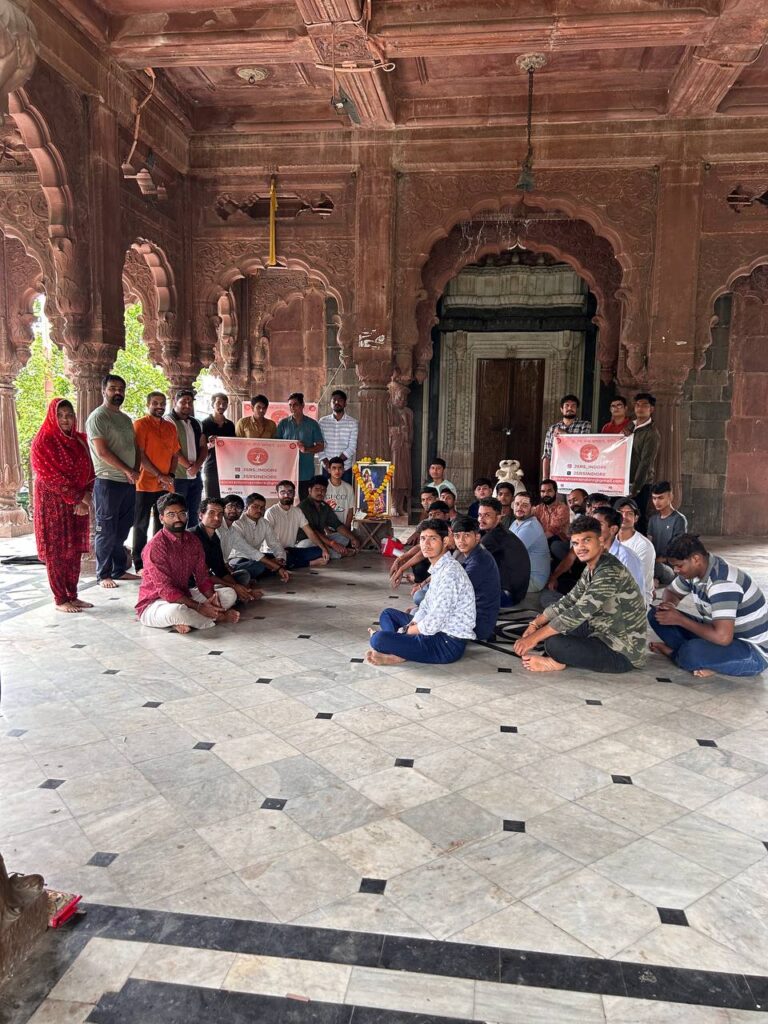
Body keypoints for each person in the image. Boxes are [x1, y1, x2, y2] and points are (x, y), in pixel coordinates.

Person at [513, 514, 648, 673]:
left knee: (554, 643)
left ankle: (557, 662)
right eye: (576, 543)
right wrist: (535, 624)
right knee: (553, 625)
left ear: (600, 540)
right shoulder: (593, 565)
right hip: (599, 630)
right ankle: (560, 655)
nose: (580, 547)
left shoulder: (609, 571)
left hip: (622, 652)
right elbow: (570, 600)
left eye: (586, 540)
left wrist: (533, 639)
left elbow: (577, 612)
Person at [649, 534, 768, 678]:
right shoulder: (695, 571)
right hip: (716, 632)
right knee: (656, 615)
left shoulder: (722, 583)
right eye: (674, 566)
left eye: (679, 566)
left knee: (692, 652)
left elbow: (723, 638)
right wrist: (669, 606)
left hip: (752, 651)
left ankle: (675, 653)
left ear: (696, 559)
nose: (675, 570)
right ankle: (708, 659)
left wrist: (680, 619)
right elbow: (671, 591)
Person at [367, 518, 476, 665]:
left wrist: (405, 631)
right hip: (433, 631)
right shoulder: (440, 567)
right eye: (423, 538)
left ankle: (399, 649)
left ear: (445, 541)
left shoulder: (450, 574)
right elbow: (426, 605)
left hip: (446, 643)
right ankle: (401, 649)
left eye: (433, 539)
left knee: (378, 639)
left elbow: (433, 623)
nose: (426, 544)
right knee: (387, 614)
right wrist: (413, 622)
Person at [136, 492, 240, 634]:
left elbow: (202, 576)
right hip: (155, 603)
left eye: (182, 513)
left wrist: (212, 598)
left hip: (184, 595)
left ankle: (187, 620)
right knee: (177, 611)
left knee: (229, 594)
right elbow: (166, 590)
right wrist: (199, 607)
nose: (178, 518)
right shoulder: (156, 546)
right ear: (161, 518)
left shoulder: (193, 540)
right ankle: (217, 617)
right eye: (171, 514)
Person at [30, 398, 95, 612]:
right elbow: (50, 477)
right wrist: (78, 498)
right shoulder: (43, 441)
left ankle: (72, 595)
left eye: (69, 415)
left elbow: (90, 469)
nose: (65, 419)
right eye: (60, 415)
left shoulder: (80, 440)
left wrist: (86, 496)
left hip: (78, 503)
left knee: (74, 550)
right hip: (53, 504)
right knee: (57, 551)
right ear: (52, 417)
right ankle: (60, 599)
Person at [86, 374, 141, 589]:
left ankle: (119, 570)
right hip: (108, 481)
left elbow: (135, 448)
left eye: (121, 389)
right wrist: (127, 470)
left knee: (123, 529)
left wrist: (135, 470)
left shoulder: (125, 419)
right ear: (103, 391)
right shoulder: (98, 417)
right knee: (106, 530)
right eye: (112, 388)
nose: (117, 392)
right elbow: (102, 452)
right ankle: (103, 575)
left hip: (128, 482)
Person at [132, 391, 180, 573]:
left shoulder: (170, 427)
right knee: (141, 525)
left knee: (163, 525)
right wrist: (160, 475)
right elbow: (140, 455)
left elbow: (175, 455)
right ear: (148, 405)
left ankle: (159, 560)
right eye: (155, 403)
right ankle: (140, 563)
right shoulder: (140, 424)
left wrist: (170, 475)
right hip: (144, 484)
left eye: (162, 403)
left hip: (165, 485)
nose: (159, 406)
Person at [191, 498, 261, 598]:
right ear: (201, 515)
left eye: (220, 514)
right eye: (211, 513)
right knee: (230, 594)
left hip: (209, 580)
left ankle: (238, 593)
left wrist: (239, 588)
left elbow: (220, 570)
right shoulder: (192, 537)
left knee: (242, 577)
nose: (217, 518)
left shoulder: (215, 538)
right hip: (192, 585)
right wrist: (234, 587)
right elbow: (201, 575)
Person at [452, 514, 501, 642]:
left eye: (466, 535)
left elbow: (454, 595)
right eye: (457, 536)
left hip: (479, 624)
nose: (461, 540)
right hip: (474, 615)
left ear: (477, 537)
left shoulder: (479, 561)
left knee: (420, 610)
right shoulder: (471, 554)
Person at [264, 479, 329, 569]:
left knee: (319, 551)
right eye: (283, 492)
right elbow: (268, 537)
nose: (286, 495)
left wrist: (323, 548)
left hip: (290, 550)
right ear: (277, 494)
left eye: (290, 492)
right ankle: (310, 563)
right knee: (284, 559)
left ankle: (295, 562)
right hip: (273, 552)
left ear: (294, 493)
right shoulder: (271, 512)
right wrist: (280, 551)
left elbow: (310, 532)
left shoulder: (297, 511)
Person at [477, 497, 530, 607]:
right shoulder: (499, 531)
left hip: (507, 596)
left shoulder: (493, 538)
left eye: (487, 515)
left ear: (498, 517)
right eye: (480, 515)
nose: (481, 519)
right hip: (517, 593)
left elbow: (471, 563)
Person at [167, 388, 207, 529]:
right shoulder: (168, 421)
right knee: (177, 513)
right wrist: (189, 467)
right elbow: (172, 448)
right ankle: (176, 541)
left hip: (195, 476)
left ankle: (191, 540)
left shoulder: (197, 423)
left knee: (194, 512)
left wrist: (197, 466)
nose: (187, 405)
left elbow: (203, 446)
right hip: (178, 476)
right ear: (175, 402)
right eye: (183, 402)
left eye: (190, 402)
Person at [229, 492, 291, 581]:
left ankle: (252, 575)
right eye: (255, 507)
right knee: (259, 566)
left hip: (257, 558)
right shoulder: (238, 523)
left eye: (262, 508)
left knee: (286, 556)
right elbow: (247, 550)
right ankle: (241, 574)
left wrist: (280, 558)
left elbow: (274, 543)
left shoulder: (264, 523)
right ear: (246, 507)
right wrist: (271, 563)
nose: (259, 510)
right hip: (239, 559)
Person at [298, 476, 361, 559]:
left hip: (322, 539)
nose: (320, 492)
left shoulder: (324, 506)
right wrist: (332, 543)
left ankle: (329, 550)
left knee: (345, 537)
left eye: (323, 490)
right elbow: (313, 532)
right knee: (307, 545)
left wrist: (353, 538)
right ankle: (340, 553)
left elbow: (337, 525)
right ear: (310, 490)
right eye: (317, 489)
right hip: (306, 540)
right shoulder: (303, 507)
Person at [276, 392, 324, 500]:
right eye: (290, 405)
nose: (292, 408)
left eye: (295, 404)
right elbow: (276, 445)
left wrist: (306, 449)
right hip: (287, 471)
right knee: (286, 501)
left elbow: (320, 446)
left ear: (302, 405)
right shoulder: (283, 424)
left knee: (305, 502)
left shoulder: (312, 424)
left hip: (305, 472)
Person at [592, 505, 645, 600]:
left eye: (599, 525)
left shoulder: (626, 557)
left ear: (613, 529)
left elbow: (632, 596)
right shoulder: (594, 553)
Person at [614, 497, 655, 606]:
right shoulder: (610, 541)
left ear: (636, 518)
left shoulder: (643, 546)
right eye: (620, 512)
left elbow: (633, 582)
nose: (624, 516)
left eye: (629, 513)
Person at [629, 392, 661, 531]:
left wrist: (636, 487)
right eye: (637, 405)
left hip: (641, 483)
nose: (640, 408)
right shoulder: (630, 426)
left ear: (651, 409)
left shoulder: (652, 433)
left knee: (638, 517)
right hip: (625, 480)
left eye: (644, 405)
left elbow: (646, 462)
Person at [541, 394, 592, 480]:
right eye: (567, 406)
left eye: (573, 406)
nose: (570, 408)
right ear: (561, 409)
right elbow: (547, 455)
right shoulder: (553, 429)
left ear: (576, 409)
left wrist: (564, 433)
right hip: (557, 473)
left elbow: (583, 447)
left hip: (578, 472)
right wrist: (545, 478)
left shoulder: (585, 425)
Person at [647, 481, 688, 586]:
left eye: (660, 498)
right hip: (653, 564)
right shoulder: (653, 520)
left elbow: (678, 552)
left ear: (670, 497)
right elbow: (648, 545)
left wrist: (657, 561)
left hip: (670, 569)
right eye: (654, 498)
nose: (656, 502)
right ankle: (653, 580)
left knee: (656, 568)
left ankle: (652, 580)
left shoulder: (679, 520)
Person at [510, 492, 550, 594]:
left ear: (533, 508)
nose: (519, 508)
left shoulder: (530, 527)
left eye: (525, 505)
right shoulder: (516, 522)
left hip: (532, 580)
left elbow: (509, 554)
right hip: (521, 574)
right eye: (517, 504)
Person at [318, 389, 358, 483]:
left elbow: (352, 446)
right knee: (326, 491)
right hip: (327, 467)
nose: (337, 402)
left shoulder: (353, 423)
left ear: (345, 403)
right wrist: (327, 464)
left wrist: (337, 464)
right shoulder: (322, 422)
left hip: (345, 468)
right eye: (334, 400)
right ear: (330, 403)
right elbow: (319, 444)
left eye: (340, 400)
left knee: (345, 491)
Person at [201, 392, 235, 498]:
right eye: (218, 403)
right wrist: (209, 444)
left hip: (227, 466)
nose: (221, 406)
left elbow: (234, 445)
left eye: (224, 403)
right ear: (212, 404)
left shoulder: (230, 425)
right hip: (211, 465)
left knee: (227, 498)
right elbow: (200, 447)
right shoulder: (204, 423)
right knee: (211, 498)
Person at [388, 380, 414, 515]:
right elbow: (385, 430)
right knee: (394, 477)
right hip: (394, 448)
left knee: (404, 478)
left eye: (404, 398)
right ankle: (393, 505)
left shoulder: (408, 412)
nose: (402, 400)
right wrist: (399, 430)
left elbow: (411, 430)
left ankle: (400, 506)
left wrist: (407, 437)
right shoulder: (389, 410)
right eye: (399, 397)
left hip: (405, 448)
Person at [534, 479, 571, 561]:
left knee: (554, 544)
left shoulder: (562, 508)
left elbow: (553, 530)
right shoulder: (538, 508)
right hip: (544, 540)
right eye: (543, 491)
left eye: (549, 491)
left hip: (559, 543)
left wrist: (535, 542)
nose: (545, 494)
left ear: (555, 492)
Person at [324, 456, 355, 528]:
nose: (337, 471)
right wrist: (326, 530)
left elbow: (351, 510)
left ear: (344, 470)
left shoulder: (349, 488)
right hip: (326, 529)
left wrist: (346, 529)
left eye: (340, 468)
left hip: (344, 528)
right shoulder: (324, 487)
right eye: (334, 468)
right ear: (329, 470)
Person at [218, 493, 244, 565]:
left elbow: (247, 549)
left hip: (224, 565)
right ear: (223, 508)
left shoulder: (233, 531)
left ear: (242, 512)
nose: (234, 510)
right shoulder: (217, 527)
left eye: (238, 507)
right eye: (230, 506)